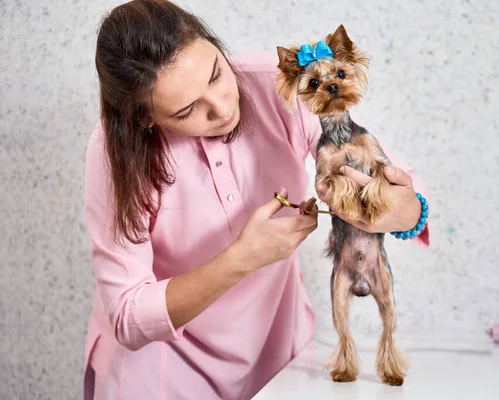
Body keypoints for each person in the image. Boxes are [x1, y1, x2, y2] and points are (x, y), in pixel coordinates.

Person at [82, 0, 431, 398]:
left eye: (216, 74)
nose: (223, 107)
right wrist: (242, 258)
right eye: (187, 110)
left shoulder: (279, 85)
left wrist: (404, 211)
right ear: (145, 119)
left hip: (278, 359)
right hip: (163, 375)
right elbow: (128, 314)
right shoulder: (115, 154)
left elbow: (404, 186)